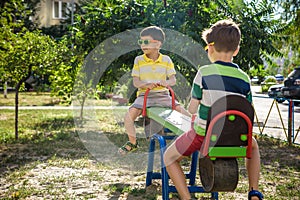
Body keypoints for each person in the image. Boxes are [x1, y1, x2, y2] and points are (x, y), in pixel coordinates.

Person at [163, 20, 264, 200]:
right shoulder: (244, 78)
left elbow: (192, 109)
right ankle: (254, 190)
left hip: (204, 135)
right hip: (234, 137)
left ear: (210, 48)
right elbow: (247, 110)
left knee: (168, 158)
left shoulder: (204, 72)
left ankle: (187, 198)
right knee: (254, 147)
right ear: (236, 50)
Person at [118, 26, 189, 155]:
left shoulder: (166, 60)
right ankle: (132, 142)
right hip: (144, 96)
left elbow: (173, 80)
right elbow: (136, 82)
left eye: (146, 42)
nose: (142, 45)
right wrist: (146, 84)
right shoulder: (139, 60)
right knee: (128, 116)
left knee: (185, 114)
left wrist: (165, 83)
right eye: (141, 42)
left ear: (158, 44)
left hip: (163, 96)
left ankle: (193, 138)